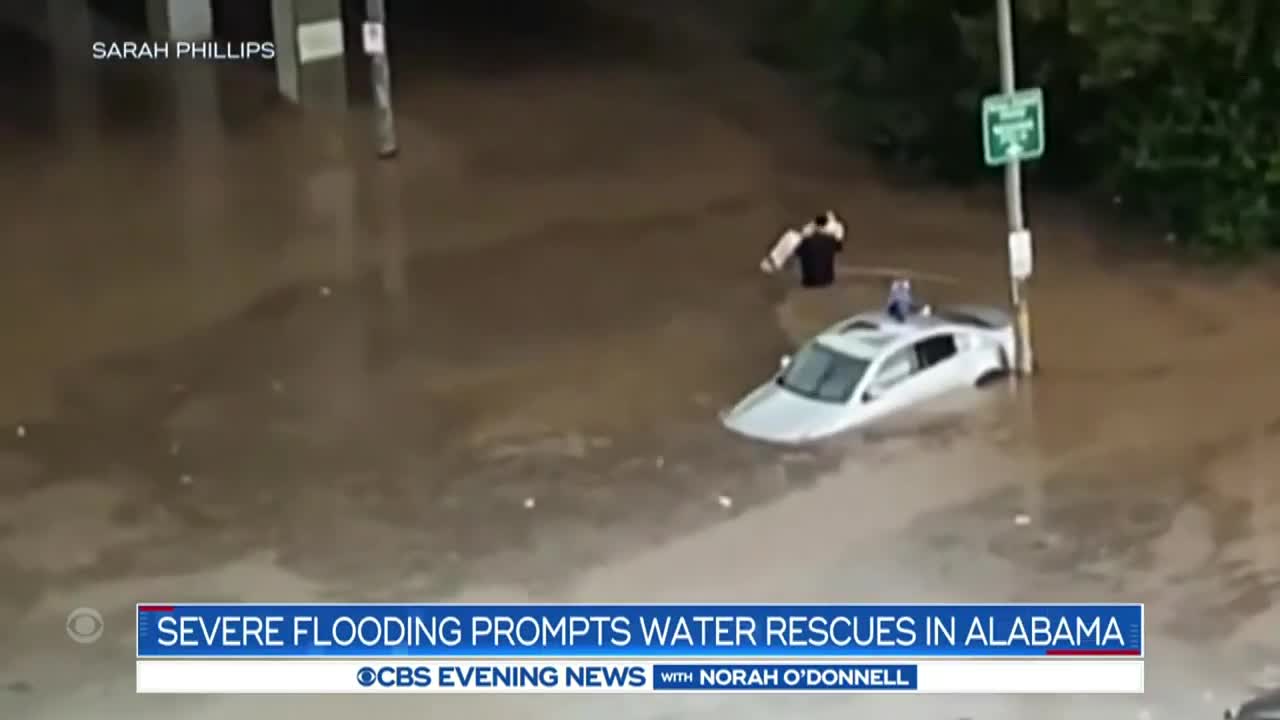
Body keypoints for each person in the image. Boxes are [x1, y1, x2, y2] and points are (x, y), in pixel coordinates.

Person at [759, 210, 846, 288]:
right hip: (827, 277)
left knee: (791, 237)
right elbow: (838, 245)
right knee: (798, 240)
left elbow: (805, 232)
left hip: (811, 275)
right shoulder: (835, 227)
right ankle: (775, 262)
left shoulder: (830, 226)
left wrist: (814, 229)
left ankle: (773, 263)